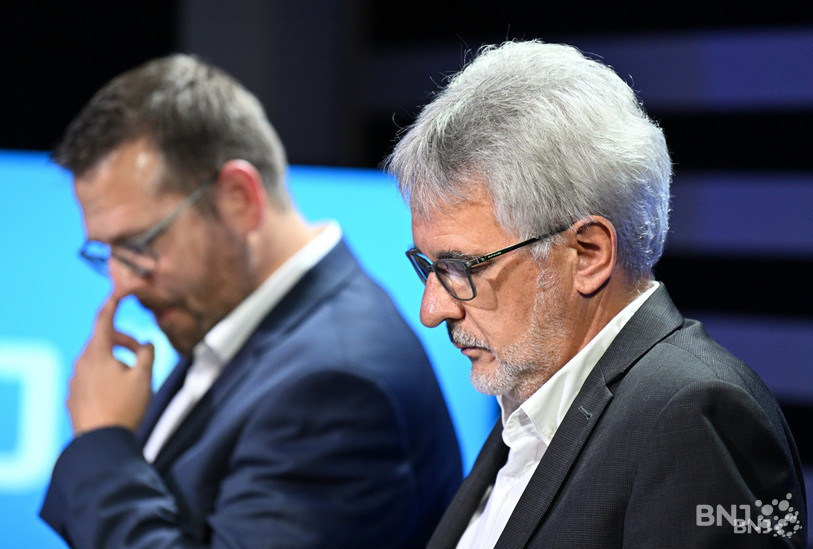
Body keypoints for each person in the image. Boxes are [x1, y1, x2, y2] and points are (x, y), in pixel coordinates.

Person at [386, 40, 807, 548]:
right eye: (428, 266)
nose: (431, 309)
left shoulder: (698, 417)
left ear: (587, 254)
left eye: (459, 267)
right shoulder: (528, 403)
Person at [39, 54, 461, 548]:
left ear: (238, 197)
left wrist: (101, 442)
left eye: (138, 245)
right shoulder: (239, 322)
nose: (121, 283)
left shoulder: (339, 383)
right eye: (105, 253)